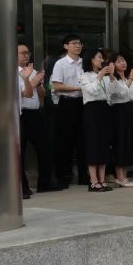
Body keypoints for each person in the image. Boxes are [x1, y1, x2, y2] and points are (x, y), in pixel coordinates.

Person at [50, 34, 86, 188]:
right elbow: (57, 86)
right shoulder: (61, 63)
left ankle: (84, 176)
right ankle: (63, 176)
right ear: (66, 46)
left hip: (83, 103)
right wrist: (79, 88)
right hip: (67, 104)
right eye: (74, 43)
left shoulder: (85, 62)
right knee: (65, 142)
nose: (78, 46)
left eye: (79, 43)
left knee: (83, 140)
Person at [17, 44, 52, 197]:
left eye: (28, 53)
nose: (26, 56)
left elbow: (41, 95)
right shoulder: (13, 73)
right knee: (20, 152)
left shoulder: (34, 71)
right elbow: (25, 94)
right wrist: (30, 81)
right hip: (20, 114)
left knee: (45, 148)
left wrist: (38, 83)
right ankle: (22, 187)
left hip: (36, 113)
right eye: (23, 53)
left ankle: (45, 183)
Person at [79, 48, 115, 192]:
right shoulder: (84, 76)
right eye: (99, 57)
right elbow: (92, 91)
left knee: (104, 143)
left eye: (102, 58)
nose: (102, 60)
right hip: (91, 110)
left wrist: (111, 77)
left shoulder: (105, 77)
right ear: (91, 60)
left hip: (104, 108)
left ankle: (102, 179)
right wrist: (99, 76)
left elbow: (113, 93)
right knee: (93, 143)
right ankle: (93, 181)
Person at [107, 54, 133, 188]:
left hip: (129, 110)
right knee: (120, 142)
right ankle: (120, 177)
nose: (123, 63)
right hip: (119, 112)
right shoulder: (111, 79)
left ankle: (124, 175)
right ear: (112, 65)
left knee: (128, 142)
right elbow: (120, 93)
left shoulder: (125, 78)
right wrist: (131, 77)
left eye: (124, 59)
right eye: (119, 61)